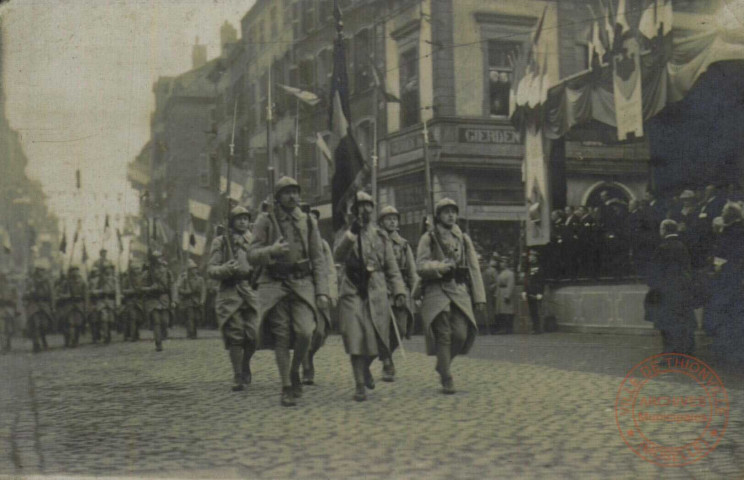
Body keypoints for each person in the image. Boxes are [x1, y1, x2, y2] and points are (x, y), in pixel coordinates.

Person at [248, 177, 330, 406]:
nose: (292, 197)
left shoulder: (308, 221)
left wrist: (322, 291)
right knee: (282, 335)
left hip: (302, 282)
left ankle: (295, 370)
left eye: (295, 192)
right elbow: (251, 254)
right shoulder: (265, 220)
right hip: (274, 284)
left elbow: (318, 258)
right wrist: (271, 250)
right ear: (278, 197)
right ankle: (286, 384)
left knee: (306, 331)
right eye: (286, 193)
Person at [334, 191, 407, 401]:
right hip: (352, 289)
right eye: (360, 206)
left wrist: (399, 290)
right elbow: (337, 255)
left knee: (377, 339)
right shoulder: (344, 232)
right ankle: (359, 384)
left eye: (368, 206)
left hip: (376, 289)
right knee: (356, 336)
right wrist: (351, 235)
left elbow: (392, 268)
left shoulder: (381, 236)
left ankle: (366, 368)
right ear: (353, 210)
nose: (364, 210)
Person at [416, 198, 486, 394]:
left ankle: (443, 364)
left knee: (461, 334)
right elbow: (420, 265)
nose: (451, 215)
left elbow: (473, 267)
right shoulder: (428, 238)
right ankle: (447, 377)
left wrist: (479, 296)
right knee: (444, 334)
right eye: (446, 212)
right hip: (436, 290)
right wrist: (439, 266)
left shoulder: (463, 238)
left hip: (458, 289)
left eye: (453, 212)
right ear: (438, 215)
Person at [208, 206, 259, 392]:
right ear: (231, 221)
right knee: (236, 334)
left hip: (251, 291)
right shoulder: (220, 242)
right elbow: (211, 269)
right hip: (229, 292)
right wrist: (225, 269)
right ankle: (238, 374)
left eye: (245, 218)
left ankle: (245, 364)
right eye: (238, 218)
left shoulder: (255, 240)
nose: (242, 221)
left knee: (254, 335)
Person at [377, 205, 419, 382]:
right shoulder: (376, 241)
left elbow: (412, 270)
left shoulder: (403, 244)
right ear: (381, 222)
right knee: (382, 328)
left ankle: (387, 354)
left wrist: (416, 293)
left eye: (395, 218)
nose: (392, 221)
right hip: (380, 289)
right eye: (388, 218)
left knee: (401, 328)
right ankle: (387, 361)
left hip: (400, 290)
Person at [645, 219, 696, 355]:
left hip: (666, 292)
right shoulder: (682, 246)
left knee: (667, 325)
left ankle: (670, 354)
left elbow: (655, 272)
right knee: (683, 323)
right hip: (682, 290)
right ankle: (686, 352)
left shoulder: (663, 248)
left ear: (664, 230)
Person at [301, 208, 338, 386]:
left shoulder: (323, 244)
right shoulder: (297, 242)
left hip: (320, 291)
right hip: (302, 290)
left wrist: (331, 292)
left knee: (321, 331)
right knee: (306, 330)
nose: (312, 222)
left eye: (315, 220)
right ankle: (306, 365)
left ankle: (308, 354)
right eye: (309, 219)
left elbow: (330, 269)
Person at [141, 252, 174, 352]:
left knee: (165, 321)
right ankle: (158, 343)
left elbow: (172, 286)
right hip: (152, 299)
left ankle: (163, 335)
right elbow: (141, 288)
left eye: (161, 257)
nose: (160, 259)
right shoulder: (147, 273)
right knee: (156, 321)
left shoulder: (167, 272)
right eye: (157, 257)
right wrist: (150, 288)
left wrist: (174, 300)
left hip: (164, 298)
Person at [24, 258, 56, 353]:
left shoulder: (48, 282)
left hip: (44, 304)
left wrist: (53, 307)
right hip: (34, 304)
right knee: (35, 324)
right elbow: (25, 293)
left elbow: (52, 295)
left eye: (42, 270)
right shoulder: (31, 281)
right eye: (39, 270)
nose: (40, 272)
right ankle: (36, 343)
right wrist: (29, 292)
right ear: (36, 271)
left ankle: (43, 338)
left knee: (44, 325)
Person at [56, 265, 88, 348]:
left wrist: (86, 306)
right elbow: (59, 293)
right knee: (69, 323)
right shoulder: (65, 283)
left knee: (78, 324)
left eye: (76, 270)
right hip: (69, 304)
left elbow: (86, 296)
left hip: (79, 304)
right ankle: (69, 340)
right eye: (72, 270)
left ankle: (76, 340)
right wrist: (65, 295)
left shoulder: (82, 282)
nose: (74, 272)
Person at [175, 259, 206, 340]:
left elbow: (203, 291)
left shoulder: (200, 279)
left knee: (196, 318)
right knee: (190, 318)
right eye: (192, 269)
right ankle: (190, 334)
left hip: (197, 301)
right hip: (188, 301)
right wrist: (186, 292)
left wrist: (202, 300)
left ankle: (194, 333)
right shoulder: (184, 279)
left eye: (195, 269)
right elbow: (179, 289)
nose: (194, 270)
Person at [91, 263, 118, 344]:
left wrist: (117, 302)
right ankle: (105, 336)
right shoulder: (98, 280)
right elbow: (93, 291)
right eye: (106, 268)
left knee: (110, 320)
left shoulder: (114, 279)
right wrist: (100, 291)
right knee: (104, 319)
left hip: (111, 301)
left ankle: (108, 333)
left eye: (109, 268)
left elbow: (117, 291)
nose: (108, 270)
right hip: (101, 301)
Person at [120, 262, 145, 342]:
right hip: (130, 300)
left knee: (139, 319)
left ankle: (136, 333)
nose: (137, 270)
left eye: (138, 268)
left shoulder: (142, 278)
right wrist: (131, 291)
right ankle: (132, 335)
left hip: (140, 301)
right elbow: (123, 290)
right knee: (132, 318)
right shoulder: (127, 279)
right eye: (135, 269)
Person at [522, 250, 545, 334]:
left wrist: (540, 293)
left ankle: (538, 328)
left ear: (535, 257)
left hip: (536, 293)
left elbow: (541, 281)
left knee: (537, 311)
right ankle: (535, 328)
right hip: (529, 292)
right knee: (532, 311)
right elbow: (526, 280)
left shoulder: (539, 268)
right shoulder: (528, 268)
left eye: (531, 256)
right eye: (529, 256)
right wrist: (524, 290)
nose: (529, 257)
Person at [494, 256, 516, 334]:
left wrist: (508, 295)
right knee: (501, 311)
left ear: (507, 263)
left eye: (503, 262)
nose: (501, 264)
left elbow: (511, 284)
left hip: (505, 291)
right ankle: (502, 328)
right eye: (501, 262)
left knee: (507, 311)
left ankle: (508, 328)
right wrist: (496, 293)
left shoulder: (510, 273)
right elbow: (497, 284)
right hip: (500, 292)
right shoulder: (500, 273)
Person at [0, 271, 18, 354]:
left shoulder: (11, 287)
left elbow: (15, 298)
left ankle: (8, 344)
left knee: (9, 330)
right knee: (2, 330)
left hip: (9, 309)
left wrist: (12, 302)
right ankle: (3, 347)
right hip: (1, 310)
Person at [481, 254, 499, 334]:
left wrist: (492, 287)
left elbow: (496, 281)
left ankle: (491, 328)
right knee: (482, 311)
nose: (482, 263)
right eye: (481, 261)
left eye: (484, 261)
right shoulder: (480, 271)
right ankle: (483, 328)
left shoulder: (492, 271)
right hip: (481, 293)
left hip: (490, 293)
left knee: (490, 311)